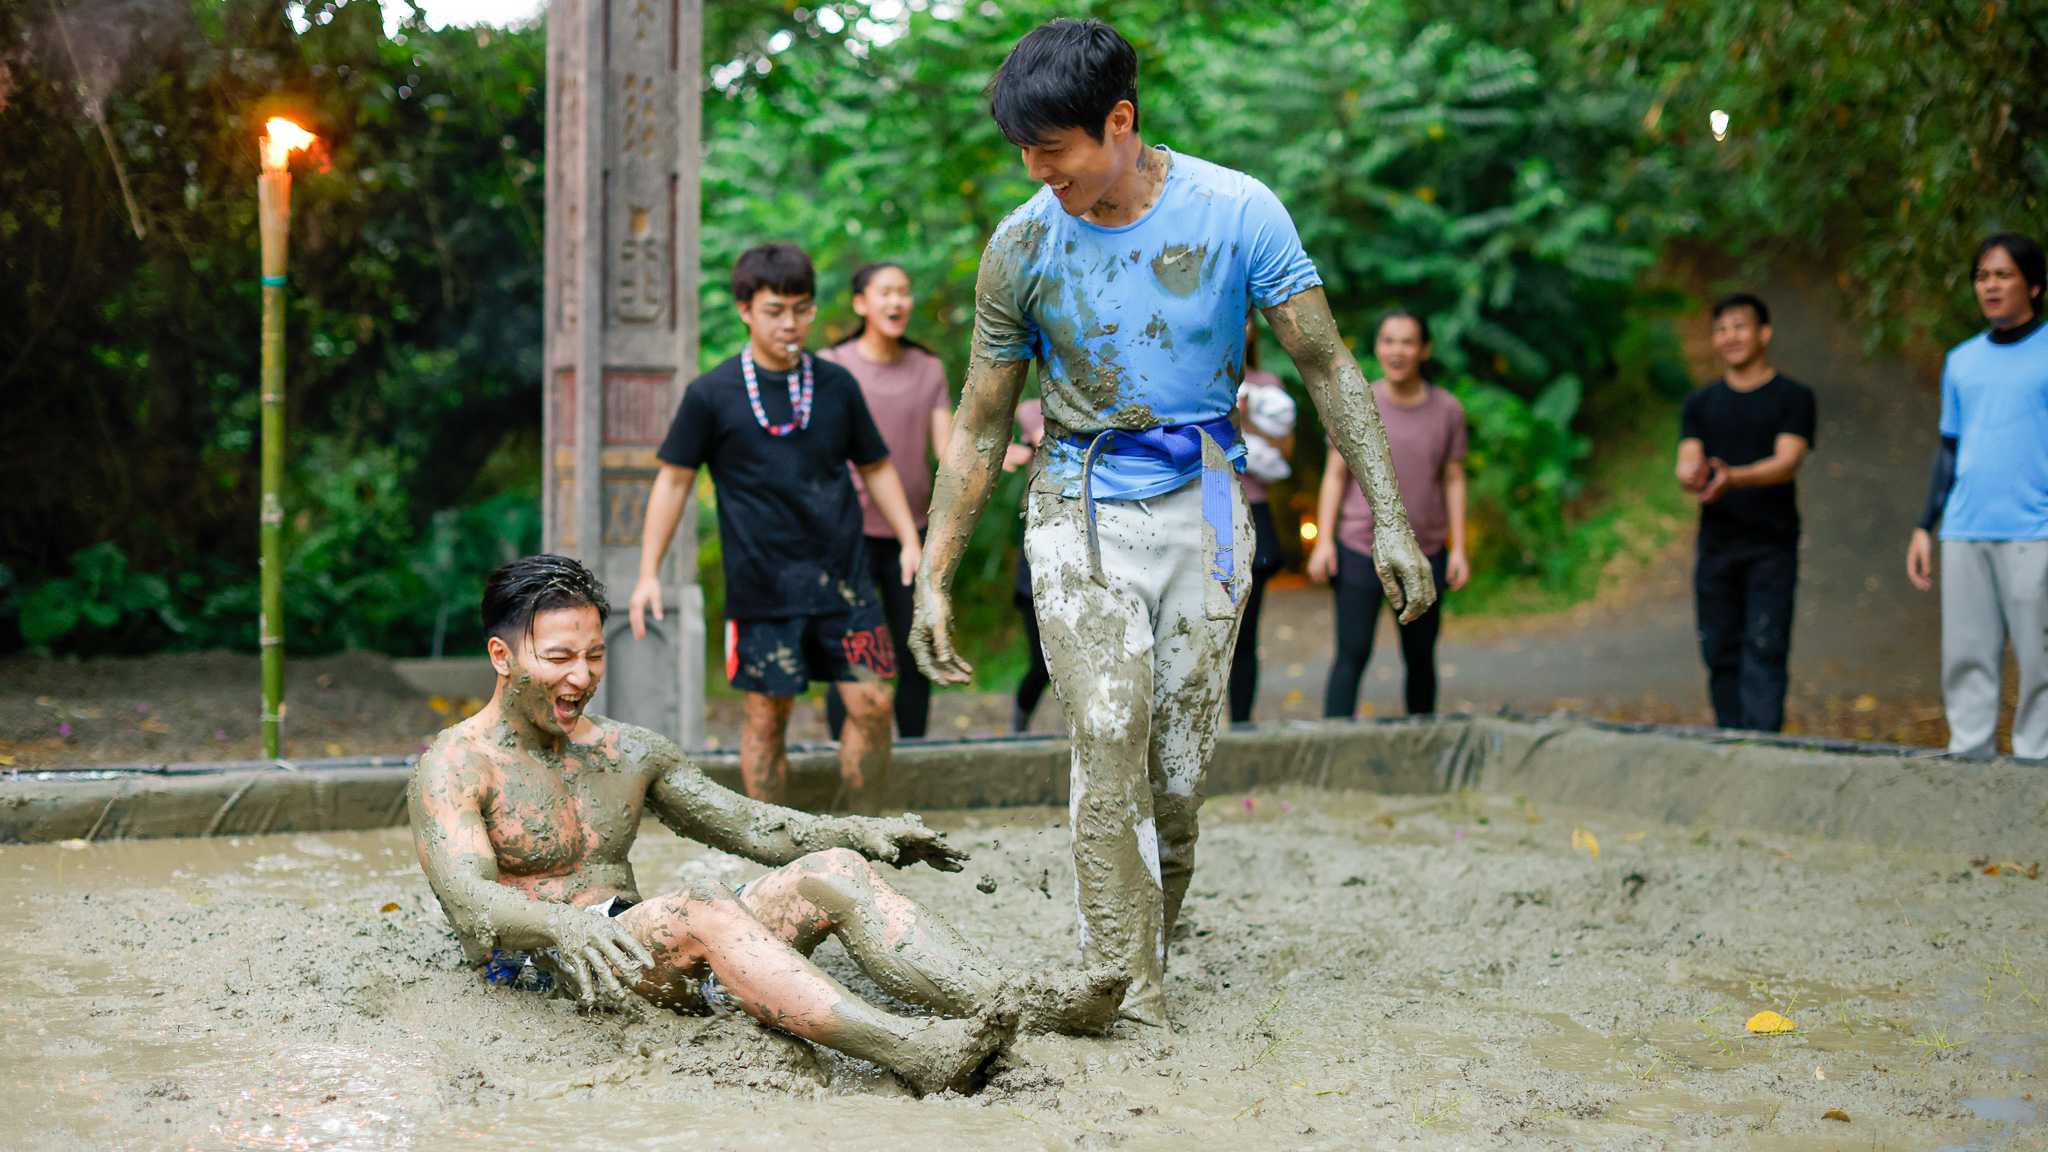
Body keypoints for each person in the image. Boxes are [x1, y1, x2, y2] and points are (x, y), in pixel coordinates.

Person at [909, 19, 1434, 1027]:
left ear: (1119, 121)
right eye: (1023, 151)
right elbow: (978, 421)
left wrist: (1393, 520)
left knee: (1178, 771)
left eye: (1052, 148)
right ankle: (1127, 986)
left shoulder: (1237, 212)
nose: (1036, 170)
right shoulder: (1020, 243)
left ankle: (1148, 940)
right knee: (1106, 731)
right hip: (1075, 500)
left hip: (1204, 502)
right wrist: (935, 572)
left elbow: (1326, 362)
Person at [411, 556, 1127, 1096]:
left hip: (644, 940)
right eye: (560, 658)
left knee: (836, 872)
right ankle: (911, 1048)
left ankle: (1021, 999)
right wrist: (564, 925)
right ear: (502, 657)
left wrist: (859, 831)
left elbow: (752, 827)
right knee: (700, 907)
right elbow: (470, 900)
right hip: (555, 968)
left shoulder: (627, 752)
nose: (583, 675)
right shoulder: (456, 766)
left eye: (596, 654)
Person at [629, 244, 918, 806]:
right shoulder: (711, 395)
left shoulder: (836, 385)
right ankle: (773, 847)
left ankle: (865, 830)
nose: (791, 324)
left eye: (802, 309)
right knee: (766, 718)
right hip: (762, 588)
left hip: (845, 584)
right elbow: (673, 482)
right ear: (745, 308)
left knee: (875, 704)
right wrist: (647, 572)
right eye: (775, 311)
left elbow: (876, 465)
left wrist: (909, 537)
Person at [1907, 233, 2048, 760]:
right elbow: (1948, 448)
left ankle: (2038, 760)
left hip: (2035, 529)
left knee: (2040, 657)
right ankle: (1968, 759)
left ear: (2033, 285)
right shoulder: (1962, 361)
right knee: (1966, 655)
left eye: (2003, 275)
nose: (1990, 286)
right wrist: (1925, 525)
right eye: (1982, 277)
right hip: (1965, 528)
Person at [1310, 310, 1468, 718]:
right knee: (1352, 652)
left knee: (1419, 656)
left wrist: (1459, 550)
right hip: (1359, 548)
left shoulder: (1448, 410)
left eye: (1408, 342)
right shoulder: (1356, 403)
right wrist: (1324, 541)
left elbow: (1453, 480)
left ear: (1424, 350)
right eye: (1388, 341)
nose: (1397, 351)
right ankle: (1333, 750)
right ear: (1377, 348)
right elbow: (1334, 476)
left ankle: (1422, 744)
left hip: (1425, 551)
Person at [821, 263, 954, 743]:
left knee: (915, 645)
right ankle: (843, 752)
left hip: (911, 534)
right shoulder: (832, 364)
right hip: (846, 534)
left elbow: (948, 450)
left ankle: (914, 753)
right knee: (853, 648)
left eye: (904, 291)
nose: (897, 302)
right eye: (886, 293)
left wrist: (991, 458)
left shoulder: (929, 368)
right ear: (861, 303)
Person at [1675, 292, 1816, 733]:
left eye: (1739, 326)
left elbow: (1787, 461)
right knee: (1719, 648)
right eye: (1721, 329)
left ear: (1763, 333)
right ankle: (1730, 740)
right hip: (1717, 547)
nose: (1730, 336)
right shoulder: (1699, 405)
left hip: (1769, 545)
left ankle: (1763, 746)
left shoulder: (1793, 397)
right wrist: (1694, 475)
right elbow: (1686, 460)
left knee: (1765, 646)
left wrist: (1732, 477)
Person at [1230, 317, 1297, 726]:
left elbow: (1284, 453)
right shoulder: (1182, 378)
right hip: (1191, 513)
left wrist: (1247, 421)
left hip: (1251, 513)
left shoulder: (1268, 386)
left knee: (1243, 635)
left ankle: (1238, 725)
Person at [1005, 400, 1052, 733]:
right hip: (1041, 548)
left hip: (1098, 543)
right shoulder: (1032, 408)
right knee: (1043, 663)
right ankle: (1018, 727)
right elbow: (1041, 436)